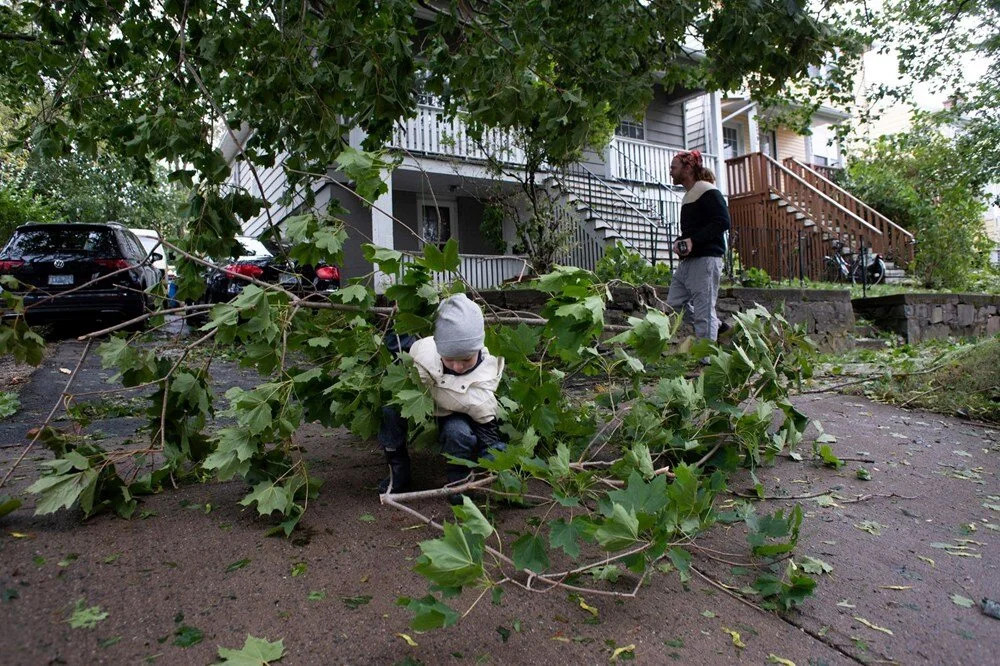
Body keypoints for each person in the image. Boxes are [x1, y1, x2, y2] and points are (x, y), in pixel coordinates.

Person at [378, 293, 505, 503]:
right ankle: (398, 472)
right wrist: (391, 322)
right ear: (439, 350)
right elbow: (401, 348)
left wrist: (495, 458)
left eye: (465, 359)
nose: (457, 366)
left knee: (458, 434)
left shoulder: (481, 387)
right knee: (390, 411)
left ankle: (459, 484)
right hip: (423, 401)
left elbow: (488, 433)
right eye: (449, 359)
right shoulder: (426, 354)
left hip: (456, 414)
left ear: (477, 350)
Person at [667, 150, 731, 341]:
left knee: (704, 310)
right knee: (674, 305)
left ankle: (707, 360)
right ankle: (718, 326)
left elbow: (722, 221)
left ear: (688, 168)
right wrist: (681, 241)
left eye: (673, 167)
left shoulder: (707, 190)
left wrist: (693, 241)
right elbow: (694, 230)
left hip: (706, 259)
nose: (670, 171)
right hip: (689, 261)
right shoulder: (689, 195)